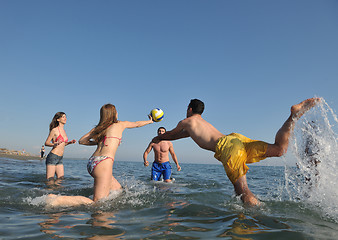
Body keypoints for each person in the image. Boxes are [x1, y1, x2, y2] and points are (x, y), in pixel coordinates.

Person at [152, 98, 320, 206]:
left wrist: (156, 137)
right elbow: (179, 137)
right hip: (235, 139)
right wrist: (163, 139)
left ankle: (260, 220)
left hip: (228, 148)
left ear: (189, 109)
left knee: (243, 192)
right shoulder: (199, 124)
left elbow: (171, 134)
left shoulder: (186, 121)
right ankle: (293, 117)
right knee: (279, 149)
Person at [46, 103, 153, 207]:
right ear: (113, 113)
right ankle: (56, 199)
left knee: (118, 191)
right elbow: (137, 124)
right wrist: (150, 121)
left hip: (93, 161)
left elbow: (82, 141)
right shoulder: (120, 124)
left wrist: (97, 142)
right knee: (97, 203)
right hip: (104, 163)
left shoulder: (99, 128)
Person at [44, 112, 76, 181]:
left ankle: (57, 192)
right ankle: (47, 192)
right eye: (63, 117)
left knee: (61, 179)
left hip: (60, 158)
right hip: (53, 156)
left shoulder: (64, 131)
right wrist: (54, 144)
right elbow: (46, 143)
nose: (65, 118)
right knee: (50, 180)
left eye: (65, 117)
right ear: (58, 119)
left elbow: (62, 144)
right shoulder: (54, 130)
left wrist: (69, 142)